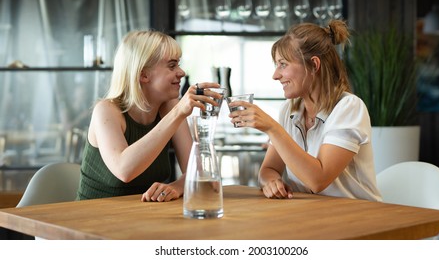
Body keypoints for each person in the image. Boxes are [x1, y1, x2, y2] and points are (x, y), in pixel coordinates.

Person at [227, 20, 382, 201]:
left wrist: (272, 127)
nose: (275, 75)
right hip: (313, 215)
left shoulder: (349, 108)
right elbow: (268, 170)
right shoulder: (289, 110)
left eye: (283, 64)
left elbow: (318, 180)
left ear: (314, 65)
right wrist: (272, 182)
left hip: (359, 217)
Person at [76, 30, 221, 202]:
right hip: (93, 220)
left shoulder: (169, 108)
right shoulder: (106, 111)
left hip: (143, 217)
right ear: (143, 74)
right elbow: (124, 170)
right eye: (172, 65)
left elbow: (198, 172)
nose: (181, 72)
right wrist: (178, 112)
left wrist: (176, 187)